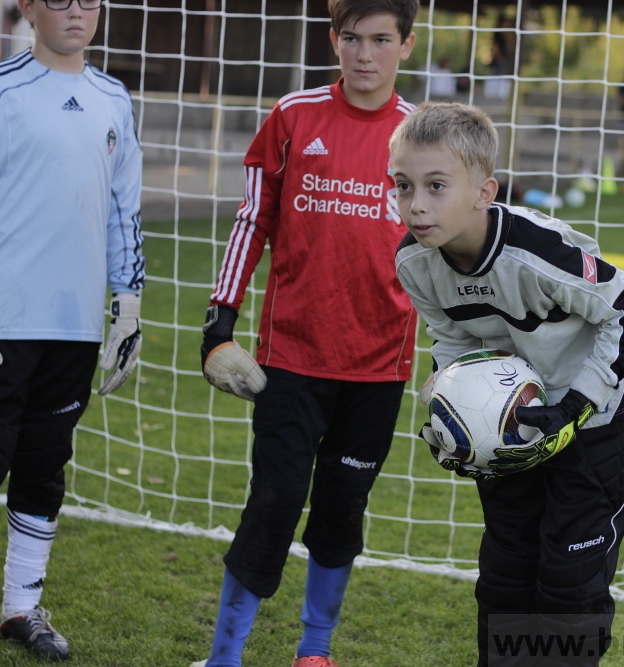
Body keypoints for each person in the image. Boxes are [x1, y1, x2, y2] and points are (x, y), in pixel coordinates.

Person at [192, 1, 419, 666]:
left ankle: (314, 651)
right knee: (276, 499)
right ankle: (224, 654)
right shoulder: (294, 116)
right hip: (291, 357)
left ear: (405, 45)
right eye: (352, 38)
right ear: (334, 40)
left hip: (380, 364)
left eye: (381, 40)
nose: (365, 54)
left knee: (342, 507)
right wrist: (219, 322)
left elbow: (446, 248)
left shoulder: (422, 134)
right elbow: (250, 220)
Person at [391, 101, 624, 666]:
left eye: (437, 186)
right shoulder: (414, 262)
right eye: (403, 185)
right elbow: (453, 340)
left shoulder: (535, 252)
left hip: (599, 410)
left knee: (568, 575)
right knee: (509, 564)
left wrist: (577, 405)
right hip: (515, 416)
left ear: (484, 192)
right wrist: (452, 414)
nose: (415, 205)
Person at [0, 0, 145, 664]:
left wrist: (128, 304)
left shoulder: (112, 98)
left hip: (73, 324)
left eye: (89, 0)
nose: (76, 12)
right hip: (2, 318)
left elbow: (124, 205)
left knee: (45, 464)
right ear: (30, 8)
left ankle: (21, 607)